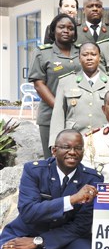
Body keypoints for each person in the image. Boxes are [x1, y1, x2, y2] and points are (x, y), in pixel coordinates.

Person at [0, 129, 102, 249]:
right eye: (66, 147)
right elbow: (28, 212)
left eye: (78, 148)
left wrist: (38, 241)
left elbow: (81, 225)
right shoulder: (34, 170)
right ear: (54, 151)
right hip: (25, 234)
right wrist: (72, 199)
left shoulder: (92, 179)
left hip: (63, 240)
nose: (72, 152)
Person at [49, 42, 109, 147]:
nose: (89, 58)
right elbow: (58, 116)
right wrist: (54, 144)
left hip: (105, 141)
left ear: (99, 57)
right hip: (73, 142)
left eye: (93, 54)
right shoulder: (66, 82)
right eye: (85, 54)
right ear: (79, 58)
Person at [30, 14, 80, 158]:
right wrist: (60, 108)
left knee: (77, 157)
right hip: (50, 115)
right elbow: (39, 85)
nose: (66, 30)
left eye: (70, 28)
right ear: (53, 31)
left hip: (78, 115)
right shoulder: (42, 53)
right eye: (61, 27)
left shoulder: (82, 51)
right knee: (53, 159)